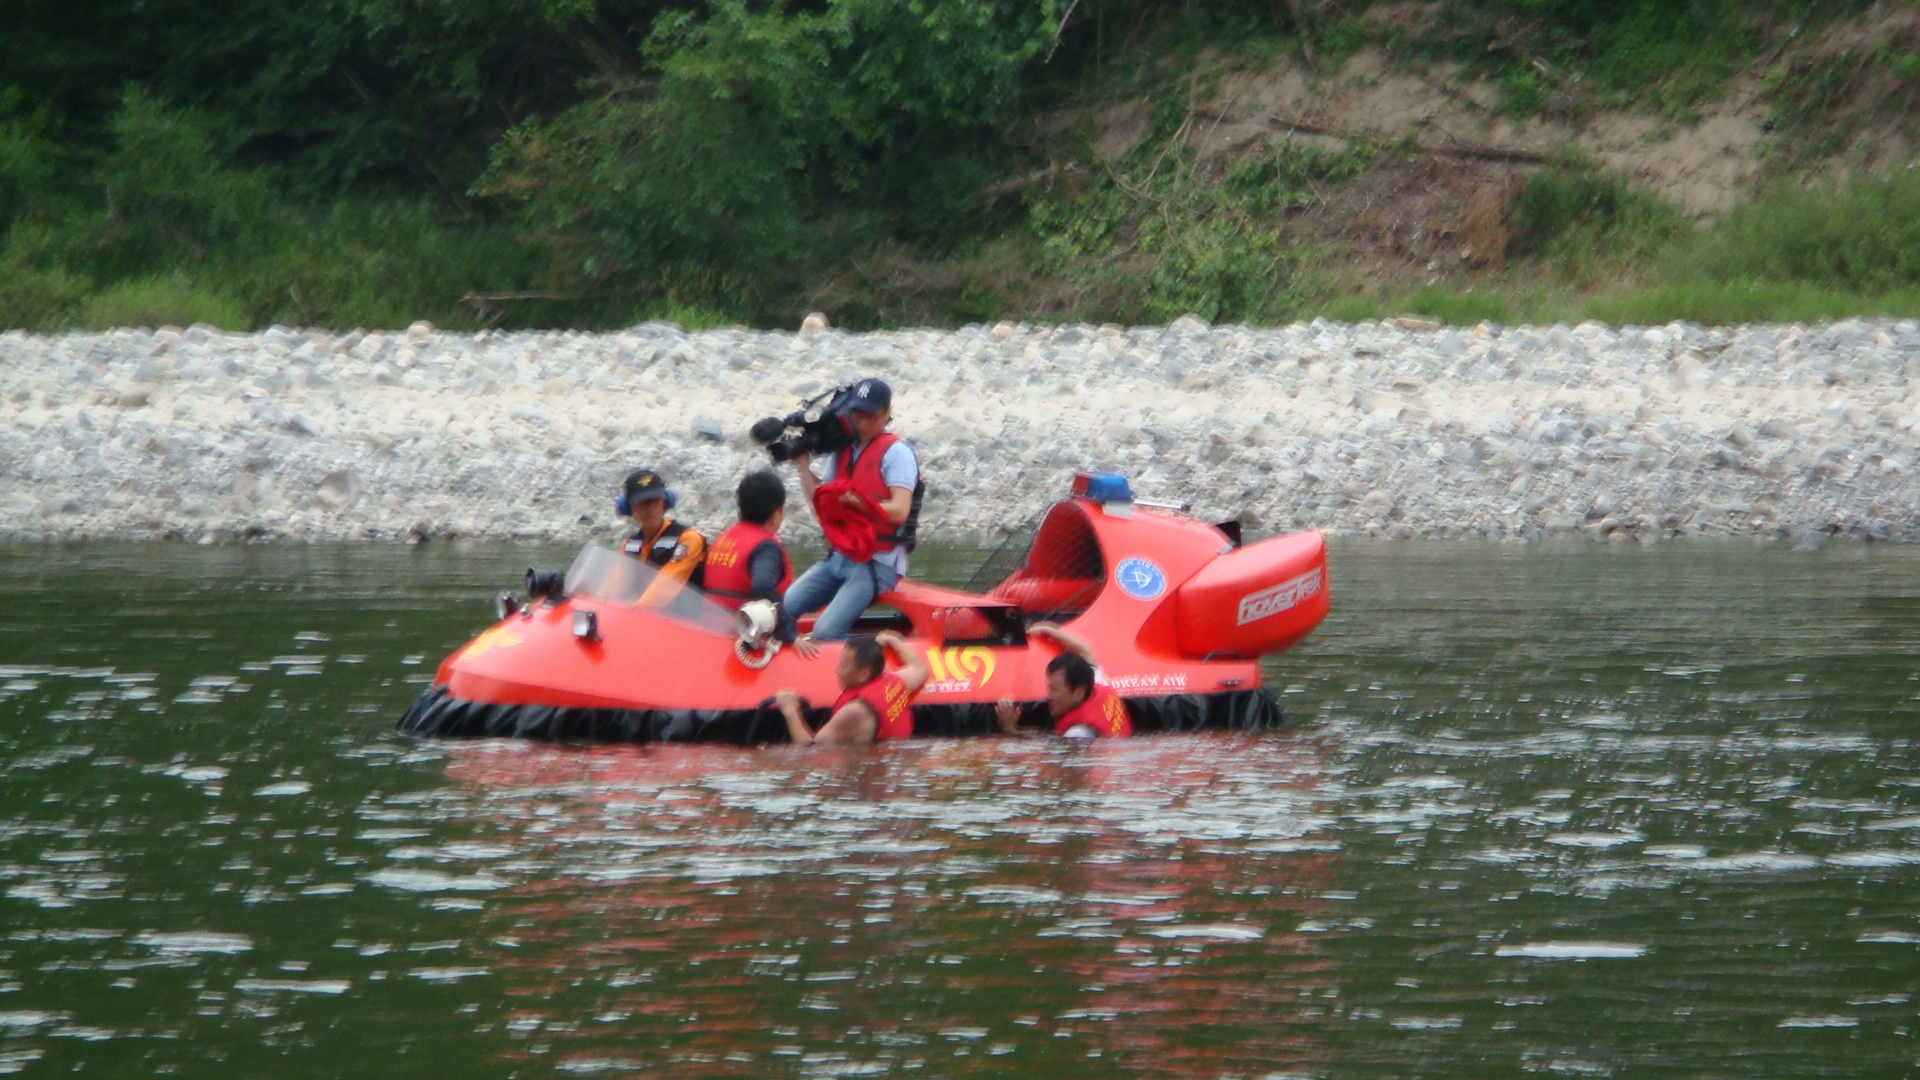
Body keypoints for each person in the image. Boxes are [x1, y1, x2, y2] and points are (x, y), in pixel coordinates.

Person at [785, 377, 922, 654]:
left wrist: (860, 504)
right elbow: (821, 502)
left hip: (878, 562)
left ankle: (881, 650)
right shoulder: (843, 450)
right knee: (785, 607)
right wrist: (802, 467)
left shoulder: (897, 453)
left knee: (825, 632)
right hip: (840, 556)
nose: (863, 423)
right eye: (857, 415)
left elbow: (900, 510)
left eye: (872, 416)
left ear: (887, 413)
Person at [774, 630, 930, 745]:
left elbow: (810, 750)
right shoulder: (895, 683)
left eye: (843, 666)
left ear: (863, 675)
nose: (837, 670)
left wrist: (790, 710)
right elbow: (920, 668)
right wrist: (892, 640)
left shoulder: (855, 711)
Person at [702, 470, 799, 644]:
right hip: (742, 637)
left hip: (708, 631)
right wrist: (789, 635)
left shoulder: (722, 540)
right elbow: (762, 586)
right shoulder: (765, 548)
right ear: (776, 515)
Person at [994, 622, 1133, 738]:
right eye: (1049, 688)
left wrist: (1009, 728)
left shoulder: (1078, 734)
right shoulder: (1097, 684)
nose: (1048, 696)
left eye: (1054, 689)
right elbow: (1085, 652)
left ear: (1078, 693)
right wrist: (1049, 632)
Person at [618, 468, 705, 606]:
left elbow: (664, 589)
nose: (650, 508)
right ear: (628, 508)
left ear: (666, 502)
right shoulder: (628, 546)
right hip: (641, 616)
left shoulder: (688, 540)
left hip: (682, 618)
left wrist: (631, 611)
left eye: (656, 500)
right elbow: (614, 587)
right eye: (642, 502)